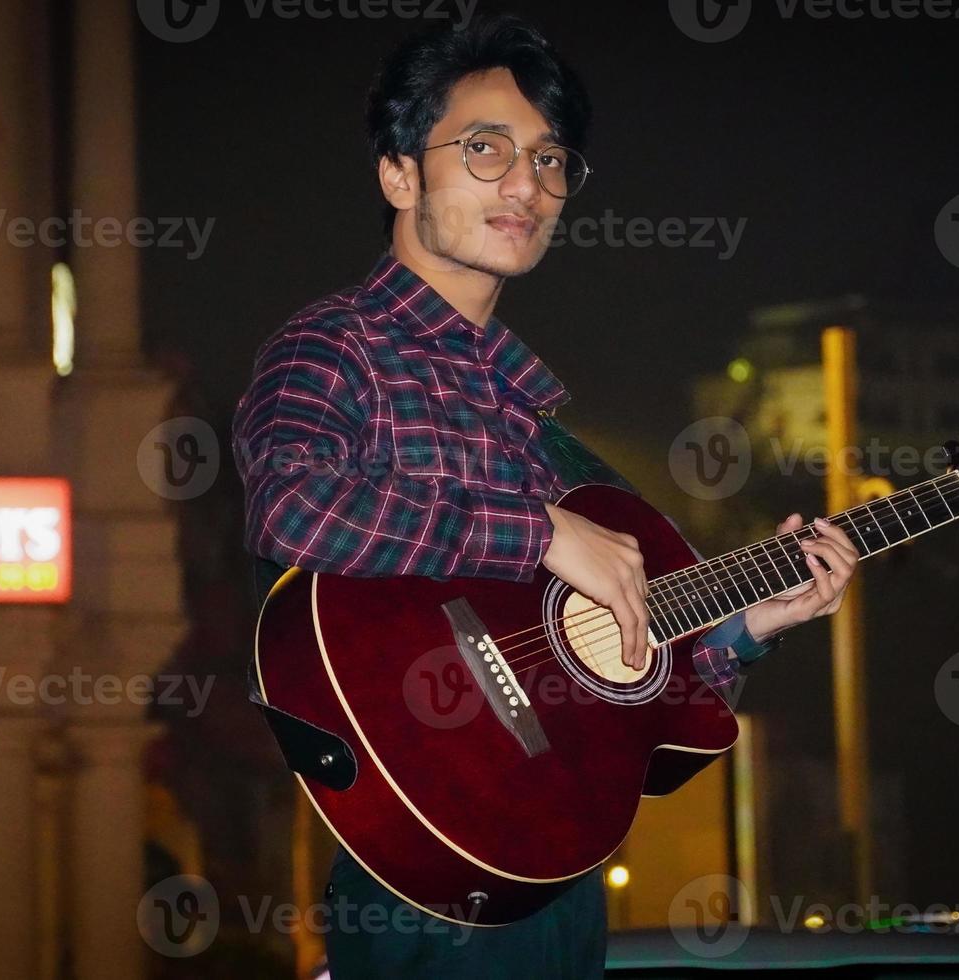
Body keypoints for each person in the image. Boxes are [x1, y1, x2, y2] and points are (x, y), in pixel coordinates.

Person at [230, 14, 857, 978]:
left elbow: (625, 714)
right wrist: (535, 536)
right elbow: (296, 506)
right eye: (485, 149)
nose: (526, 184)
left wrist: (743, 628)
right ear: (399, 175)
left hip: (555, 889)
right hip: (422, 891)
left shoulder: (535, 423)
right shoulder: (335, 348)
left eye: (550, 160)